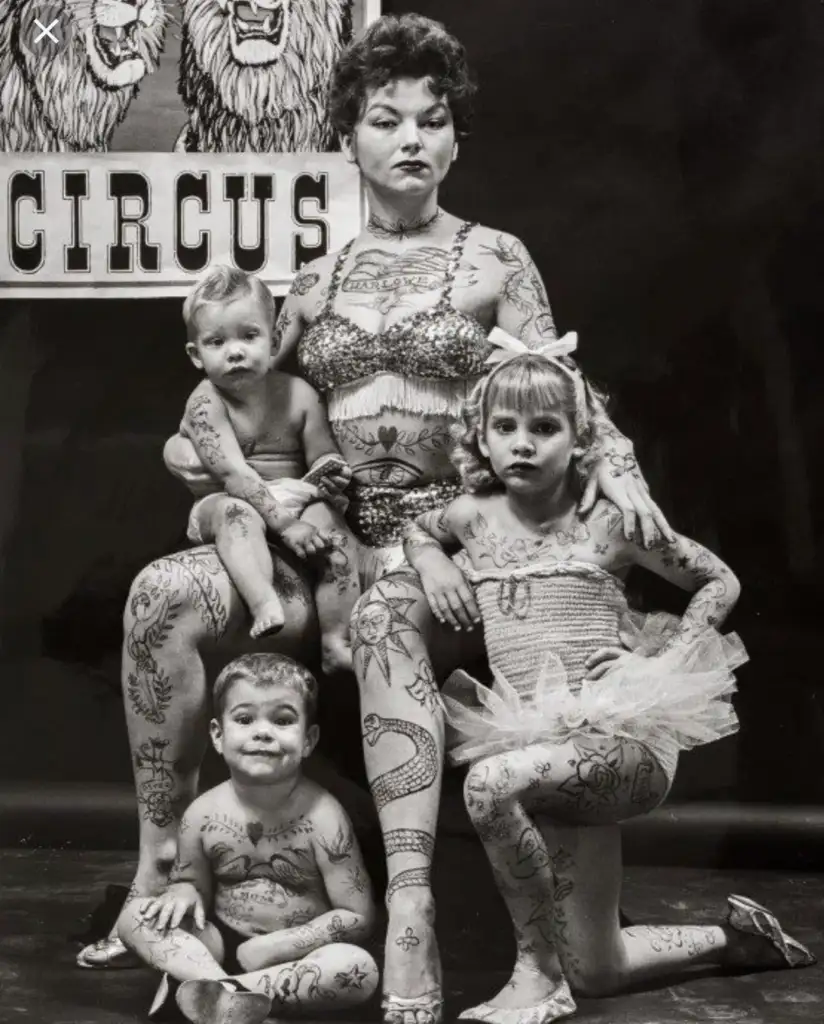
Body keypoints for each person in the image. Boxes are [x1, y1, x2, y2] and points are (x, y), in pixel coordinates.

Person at [76, 13, 671, 1005]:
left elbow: (555, 396)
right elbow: (230, 411)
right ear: (346, 135)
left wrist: (622, 467)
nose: (409, 139)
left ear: (452, 138)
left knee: (391, 614)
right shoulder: (315, 281)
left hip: (453, 551)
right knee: (157, 598)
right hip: (325, 549)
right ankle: (156, 876)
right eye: (384, 119)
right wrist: (232, 479)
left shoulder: (494, 259)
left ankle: (410, 918)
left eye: (430, 121)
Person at [401, 340, 815, 1023]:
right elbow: (418, 530)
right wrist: (435, 565)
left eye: (544, 428)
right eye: (504, 429)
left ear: (580, 437)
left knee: (489, 785)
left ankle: (535, 975)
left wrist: (660, 661)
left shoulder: (612, 520)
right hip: (537, 744)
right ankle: (736, 939)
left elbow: (719, 580)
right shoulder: (470, 517)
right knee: (598, 969)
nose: (522, 445)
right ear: (480, 436)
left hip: (619, 740)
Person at [119, 653, 379, 1024]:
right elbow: (193, 886)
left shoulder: (325, 817)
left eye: (283, 720)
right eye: (244, 719)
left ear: (308, 739)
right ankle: (222, 991)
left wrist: (275, 947)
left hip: (295, 956)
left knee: (357, 969)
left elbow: (357, 916)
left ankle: (217, 997)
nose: (262, 731)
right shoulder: (203, 814)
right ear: (218, 735)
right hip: (216, 949)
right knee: (134, 916)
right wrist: (184, 892)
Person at [175, 264, 358, 670]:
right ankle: (264, 603)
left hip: (293, 493)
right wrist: (286, 525)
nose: (235, 350)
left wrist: (331, 469)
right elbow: (234, 476)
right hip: (225, 499)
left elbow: (322, 451)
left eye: (249, 336)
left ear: (274, 340)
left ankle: (335, 637)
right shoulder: (206, 402)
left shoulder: (299, 394)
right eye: (217, 342)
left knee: (331, 524)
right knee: (234, 514)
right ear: (196, 355)